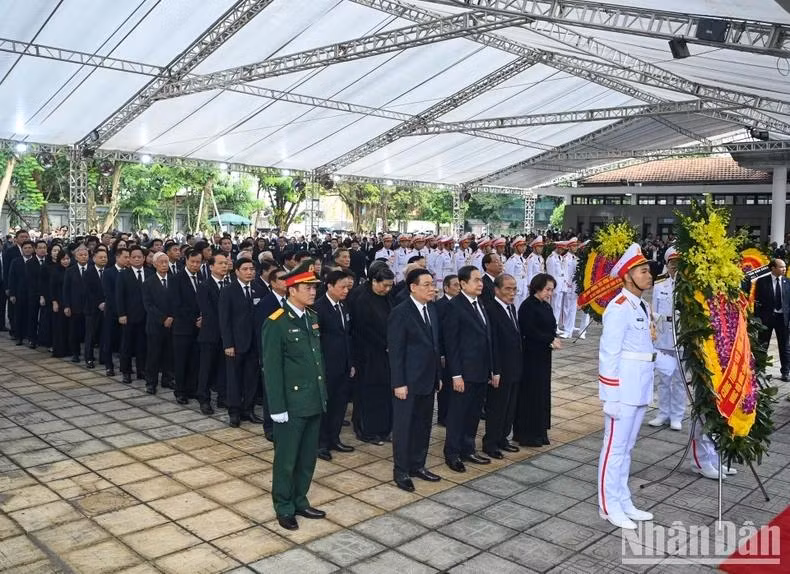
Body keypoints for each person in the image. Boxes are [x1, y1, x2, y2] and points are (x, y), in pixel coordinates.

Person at [262, 259, 328, 531]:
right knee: (287, 460)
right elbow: (272, 369)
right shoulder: (276, 323)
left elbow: (316, 361)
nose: (313, 292)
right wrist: (277, 408)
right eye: (307, 287)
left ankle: (300, 499)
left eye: (314, 287)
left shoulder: (312, 317)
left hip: (313, 400)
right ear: (291, 289)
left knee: (307, 457)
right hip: (290, 404)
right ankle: (284, 505)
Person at [597, 243, 656, 530]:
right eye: (643, 271)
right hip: (622, 391)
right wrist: (610, 395)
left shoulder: (642, 305)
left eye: (648, 271)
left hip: (640, 387)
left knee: (627, 448)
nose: (650, 276)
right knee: (614, 449)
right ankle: (609, 506)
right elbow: (609, 354)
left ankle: (623, 499)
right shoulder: (618, 308)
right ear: (627, 276)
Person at [388, 268, 442, 492]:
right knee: (404, 428)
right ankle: (401, 470)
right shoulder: (401, 312)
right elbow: (396, 350)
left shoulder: (432, 309)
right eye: (427, 285)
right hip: (407, 382)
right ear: (413, 287)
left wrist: (438, 375)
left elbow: (435, 347)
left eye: (433, 284)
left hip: (428, 379)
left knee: (422, 425)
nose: (432, 288)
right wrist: (399, 383)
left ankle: (418, 465)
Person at [442, 265, 497, 473]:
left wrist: (492, 369)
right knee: (457, 415)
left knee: (473, 413)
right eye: (475, 280)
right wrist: (456, 374)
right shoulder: (454, 306)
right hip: (463, 372)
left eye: (480, 280)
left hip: (481, 371)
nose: (480, 283)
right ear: (463, 284)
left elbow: (487, 339)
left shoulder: (480, 303)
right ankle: (452, 453)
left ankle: (468, 448)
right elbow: (452, 344)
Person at [312, 269, 355, 461]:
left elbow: (348, 336)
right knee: (325, 406)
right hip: (326, 366)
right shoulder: (318, 308)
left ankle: (334, 438)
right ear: (329, 286)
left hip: (344, 365)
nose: (346, 291)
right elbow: (316, 341)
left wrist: (351, 362)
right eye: (342, 287)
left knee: (339, 404)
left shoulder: (343, 306)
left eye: (348, 287)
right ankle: (321, 443)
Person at [349, 264, 395, 444]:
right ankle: (366, 430)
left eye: (390, 286)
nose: (387, 289)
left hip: (386, 353)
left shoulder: (387, 296)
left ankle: (384, 429)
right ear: (373, 281)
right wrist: (384, 344)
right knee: (368, 392)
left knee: (384, 391)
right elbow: (361, 328)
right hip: (367, 353)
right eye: (384, 285)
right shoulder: (361, 297)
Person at [515, 273, 561, 447]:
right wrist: (548, 339)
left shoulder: (545, 306)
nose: (550, 293)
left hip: (544, 355)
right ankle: (527, 433)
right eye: (547, 289)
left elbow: (551, 325)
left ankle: (540, 430)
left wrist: (553, 336)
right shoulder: (528, 306)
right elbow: (529, 330)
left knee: (542, 392)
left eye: (551, 290)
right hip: (531, 356)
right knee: (531, 393)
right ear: (537, 287)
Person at [219, 258, 266, 427]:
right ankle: (234, 411)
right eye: (245, 269)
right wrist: (228, 344)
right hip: (236, 344)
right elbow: (224, 320)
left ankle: (249, 410)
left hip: (254, 344)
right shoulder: (228, 291)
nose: (249, 272)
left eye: (252, 269)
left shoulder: (259, 290)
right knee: (234, 379)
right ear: (237, 271)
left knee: (251, 378)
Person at [482, 274, 522, 459]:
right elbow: (492, 343)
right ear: (496, 290)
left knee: (510, 406)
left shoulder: (511, 308)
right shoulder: (490, 309)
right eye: (507, 289)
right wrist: (494, 370)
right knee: (497, 407)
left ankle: (503, 438)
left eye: (514, 289)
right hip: (500, 368)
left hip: (514, 367)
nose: (512, 293)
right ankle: (490, 442)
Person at [648, 246, 685, 430]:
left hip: (680, 334)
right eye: (672, 263)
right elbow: (654, 309)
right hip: (663, 335)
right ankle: (663, 413)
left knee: (679, 378)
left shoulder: (688, 283)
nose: (675, 266)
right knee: (663, 378)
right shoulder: (660, 282)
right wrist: (653, 330)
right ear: (667, 263)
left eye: (678, 262)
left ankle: (677, 415)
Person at [196, 253, 229, 414]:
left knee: (224, 368)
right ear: (211, 267)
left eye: (226, 263)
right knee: (206, 368)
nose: (224, 266)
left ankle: (223, 397)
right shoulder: (204, 286)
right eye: (221, 263)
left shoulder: (230, 283)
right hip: (210, 333)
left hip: (227, 336)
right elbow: (209, 312)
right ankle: (204, 399)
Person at [171, 247, 203, 404]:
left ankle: (192, 388)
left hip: (199, 328)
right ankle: (180, 391)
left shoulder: (201, 277)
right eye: (193, 262)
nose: (195, 265)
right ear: (186, 260)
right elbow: (176, 305)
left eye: (198, 262)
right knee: (181, 360)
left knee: (194, 360)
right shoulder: (177, 279)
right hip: (183, 327)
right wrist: (194, 319)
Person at [116, 246, 152, 384]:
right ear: (129, 259)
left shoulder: (149, 273)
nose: (137, 259)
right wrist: (122, 314)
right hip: (129, 316)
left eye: (140, 257)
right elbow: (119, 296)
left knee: (142, 345)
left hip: (146, 316)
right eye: (134, 257)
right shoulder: (123, 274)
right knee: (127, 345)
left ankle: (141, 370)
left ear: (144, 259)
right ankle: (126, 372)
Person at [142, 252, 175, 395]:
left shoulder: (174, 280)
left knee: (169, 353)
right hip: (155, 324)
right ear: (154, 264)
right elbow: (148, 305)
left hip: (172, 323)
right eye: (161, 262)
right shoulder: (148, 283)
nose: (164, 265)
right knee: (153, 355)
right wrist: (163, 319)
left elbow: (178, 301)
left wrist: (172, 317)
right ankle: (151, 382)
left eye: (166, 262)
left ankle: (167, 379)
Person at [754, 259, 790, 381]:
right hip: (766, 319)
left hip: (783, 319)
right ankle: (760, 371)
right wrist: (758, 319)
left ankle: (785, 372)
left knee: (785, 346)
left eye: (785, 267)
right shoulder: (762, 282)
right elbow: (757, 301)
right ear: (773, 268)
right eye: (781, 267)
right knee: (763, 345)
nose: (784, 269)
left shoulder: (787, 282)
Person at [436, 274, 460, 426]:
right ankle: (443, 416)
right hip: (445, 352)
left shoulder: (459, 303)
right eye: (455, 285)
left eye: (459, 285)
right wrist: (442, 353)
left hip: (457, 351)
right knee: (445, 387)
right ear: (446, 288)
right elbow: (440, 331)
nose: (459, 288)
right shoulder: (440, 305)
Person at [101, 247, 129, 376]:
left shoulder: (129, 272)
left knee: (125, 341)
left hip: (127, 312)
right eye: (125, 257)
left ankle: (125, 367)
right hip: (112, 312)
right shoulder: (108, 272)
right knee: (109, 339)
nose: (128, 260)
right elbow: (109, 293)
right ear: (117, 257)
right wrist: (119, 310)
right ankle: (109, 366)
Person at [63, 246, 92, 363]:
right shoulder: (70, 271)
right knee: (74, 331)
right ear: (75, 257)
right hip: (75, 306)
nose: (83, 257)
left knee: (89, 332)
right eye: (81, 255)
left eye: (85, 255)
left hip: (89, 306)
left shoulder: (92, 269)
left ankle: (88, 354)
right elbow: (66, 289)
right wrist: (67, 306)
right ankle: (75, 353)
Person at [7, 239, 34, 345]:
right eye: (25, 248)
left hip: (33, 293)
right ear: (22, 250)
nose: (27, 250)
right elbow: (11, 278)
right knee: (19, 315)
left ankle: (31, 337)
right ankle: (19, 336)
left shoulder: (35, 261)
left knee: (31, 315)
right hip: (19, 293)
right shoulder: (16, 261)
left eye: (29, 248)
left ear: (33, 249)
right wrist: (12, 294)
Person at [25, 240, 49, 349]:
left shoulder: (49, 262)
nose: (42, 249)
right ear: (35, 249)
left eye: (44, 247)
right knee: (32, 317)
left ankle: (44, 339)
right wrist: (39, 294)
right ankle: (32, 339)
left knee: (46, 318)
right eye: (40, 247)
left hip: (47, 294)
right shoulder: (30, 263)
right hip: (34, 294)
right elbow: (30, 281)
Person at [50, 250, 71, 358]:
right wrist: (54, 302)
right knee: (59, 327)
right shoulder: (55, 271)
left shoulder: (72, 271)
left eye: (67, 259)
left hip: (70, 302)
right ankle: (59, 350)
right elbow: (52, 288)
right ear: (59, 260)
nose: (66, 261)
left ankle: (69, 349)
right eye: (63, 259)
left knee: (69, 327)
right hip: (59, 301)